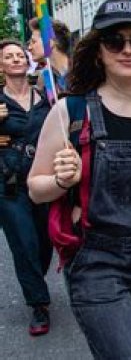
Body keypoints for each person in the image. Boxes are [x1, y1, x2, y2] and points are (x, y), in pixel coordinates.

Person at [27, 0, 131, 359]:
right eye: (115, 41)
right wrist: (61, 182)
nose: (128, 50)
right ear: (98, 50)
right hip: (99, 263)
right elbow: (35, 189)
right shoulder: (70, 111)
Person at [0, 39, 53, 336]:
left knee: (44, 243)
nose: (16, 59)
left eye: (20, 55)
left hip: (43, 180)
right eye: (9, 56)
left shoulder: (46, 96)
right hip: (10, 185)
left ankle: (35, 279)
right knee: (24, 242)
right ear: (1, 66)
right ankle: (39, 305)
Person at [27, 17, 72, 97]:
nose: (29, 48)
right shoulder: (44, 79)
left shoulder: (83, 70)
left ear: (50, 42)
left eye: (33, 42)